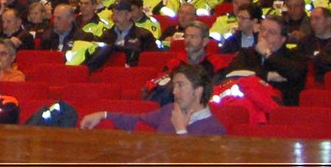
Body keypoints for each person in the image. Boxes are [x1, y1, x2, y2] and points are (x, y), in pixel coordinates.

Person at [81, 63, 226, 135]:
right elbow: (136, 120)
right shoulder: (169, 110)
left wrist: (181, 129)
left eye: (180, 86)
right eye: (174, 86)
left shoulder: (214, 129)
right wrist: (103, 114)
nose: (175, 92)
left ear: (198, 90)